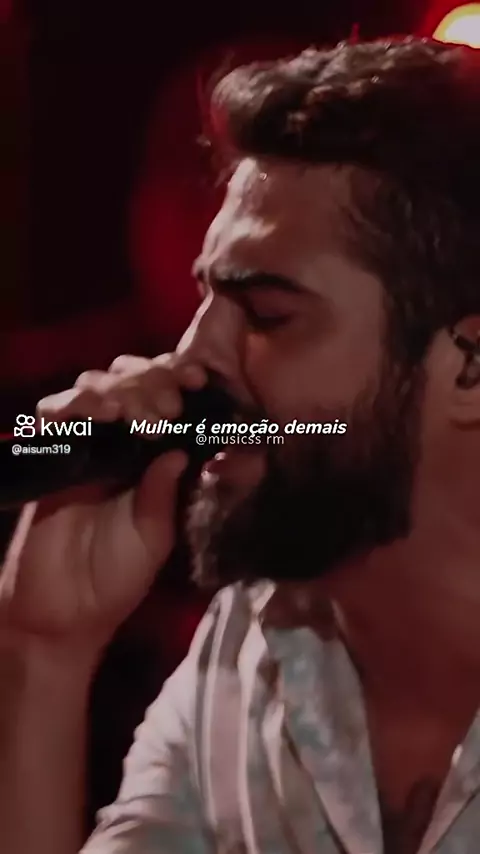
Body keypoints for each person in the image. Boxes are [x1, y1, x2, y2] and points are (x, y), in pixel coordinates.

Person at [1, 35, 480, 854]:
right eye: (205, 302)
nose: (192, 358)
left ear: (469, 367)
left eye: (267, 315)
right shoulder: (247, 653)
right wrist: (42, 654)